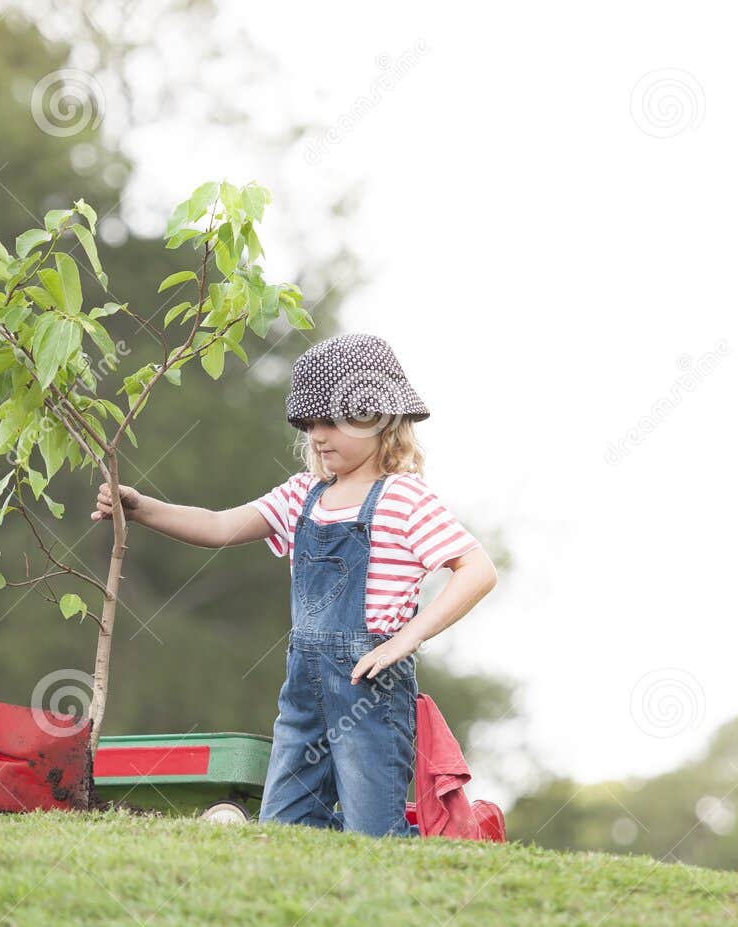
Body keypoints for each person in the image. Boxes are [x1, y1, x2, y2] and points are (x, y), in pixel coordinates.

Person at [92, 332, 497, 835]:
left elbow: (477, 570)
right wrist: (142, 509)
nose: (319, 435)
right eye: (310, 424)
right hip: (303, 691)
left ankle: (459, 840)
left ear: (378, 420)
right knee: (284, 827)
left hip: (370, 693)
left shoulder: (403, 498)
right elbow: (220, 527)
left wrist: (406, 639)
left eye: (331, 421)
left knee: (373, 834)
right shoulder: (301, 495)